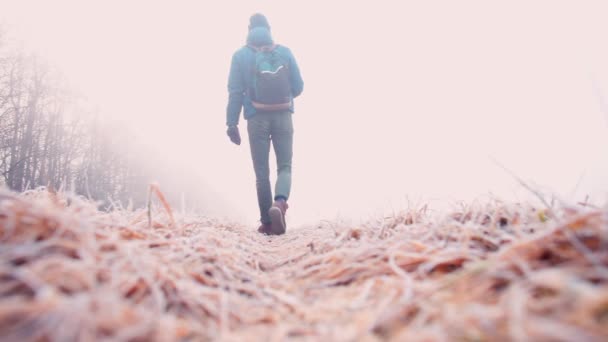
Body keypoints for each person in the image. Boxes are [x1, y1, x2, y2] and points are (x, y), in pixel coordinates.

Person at [225, 14, 304, 235]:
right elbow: (299, 86)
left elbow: (235, 91)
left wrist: (231, 123)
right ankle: (279, 204)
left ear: (248, 29)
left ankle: (267, 223)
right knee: (285, 166)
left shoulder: (240, 56)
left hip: (256, 117)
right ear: (269, 29)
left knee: (261, 172)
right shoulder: (284, 51)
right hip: (283, 115)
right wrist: (283, 97)